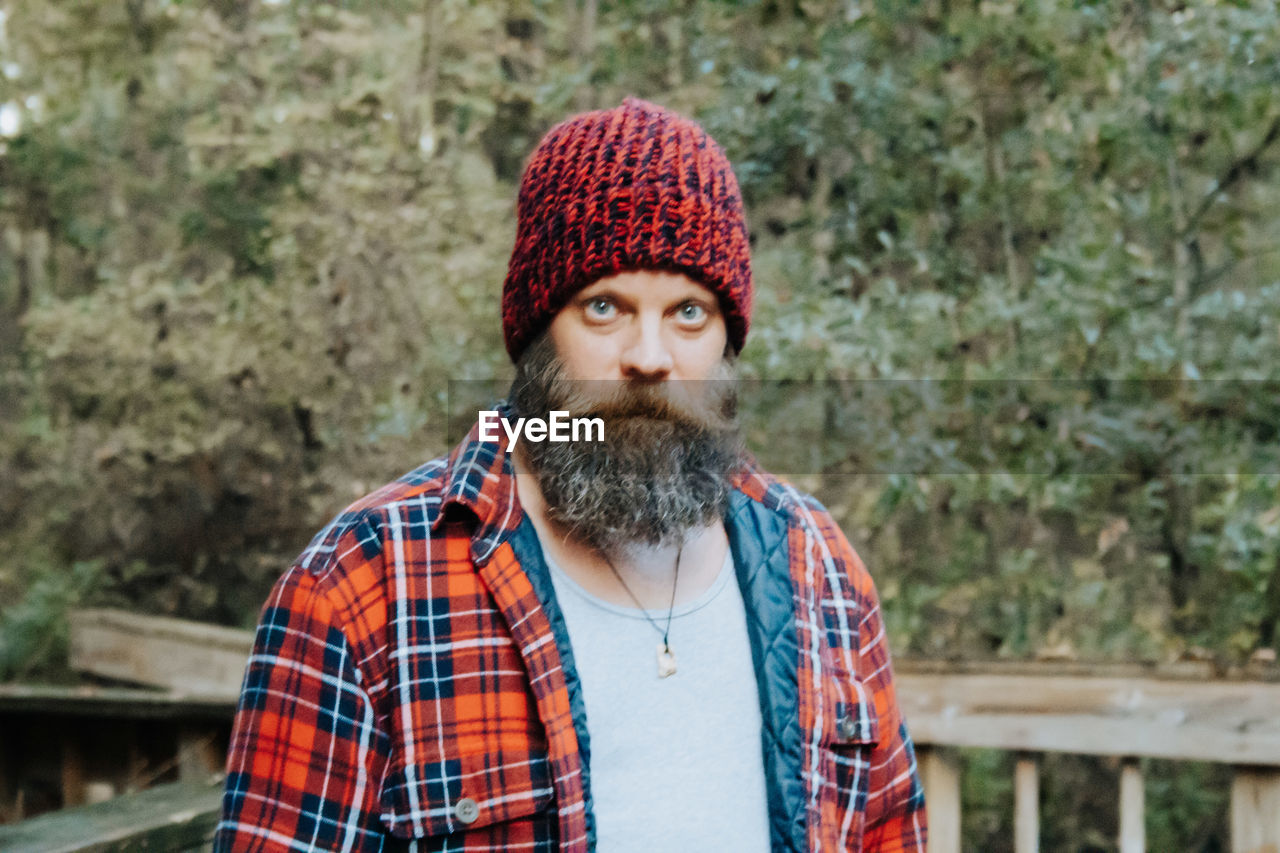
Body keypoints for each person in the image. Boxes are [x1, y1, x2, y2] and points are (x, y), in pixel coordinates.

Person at [215, 97, 927, 852]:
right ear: (538, 333)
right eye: (605, 307)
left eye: (688, 311)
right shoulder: (360, 587)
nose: (650, 357)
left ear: (726, 339)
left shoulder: (818, 564)